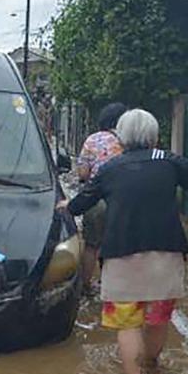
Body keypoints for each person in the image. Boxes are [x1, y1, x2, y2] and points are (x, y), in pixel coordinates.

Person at [59, 109, 188, 374]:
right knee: (157, 318)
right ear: (154, 136)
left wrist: (62, 207)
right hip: (167, 254)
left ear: (121, 137)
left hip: (121, 255)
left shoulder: (111, 168)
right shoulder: (169, 162)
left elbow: (79, 204)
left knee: (127, 324)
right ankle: (153, 366)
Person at [75, 102, 128, 293]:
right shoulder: (128, 141)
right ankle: (111, 287)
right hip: (122, 200)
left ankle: (85, 285)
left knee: (91, 245)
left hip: (94, 200)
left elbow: (82, 174)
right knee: (116, 246)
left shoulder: (92, 140)